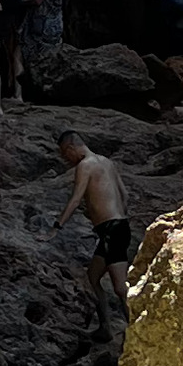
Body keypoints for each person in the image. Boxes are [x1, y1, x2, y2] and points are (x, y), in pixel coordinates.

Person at [55, 132, 133, 332]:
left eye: (65, 154)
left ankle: (136, 330)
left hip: (111, 229)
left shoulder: (85, 166)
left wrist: (57, 225)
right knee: (93, 277)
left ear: (71, 148)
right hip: (119, 226)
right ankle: (105, 327)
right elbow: (125, 194)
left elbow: (75, 199)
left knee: (120, 288)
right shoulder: (107, 162)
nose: (66, 159)